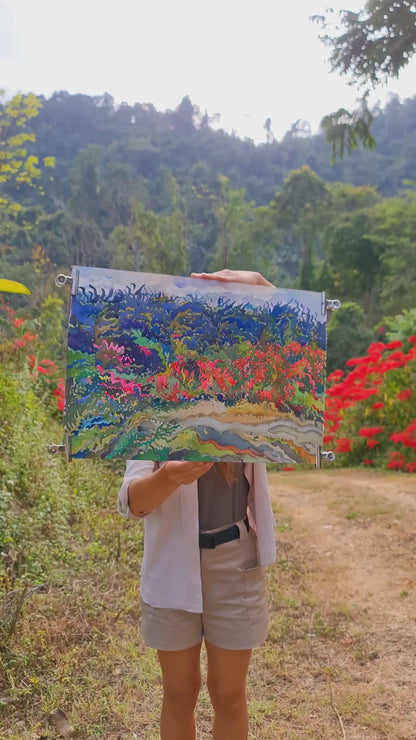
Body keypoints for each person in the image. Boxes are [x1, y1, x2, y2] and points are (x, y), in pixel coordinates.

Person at [117, 270, 277, 740]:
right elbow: (131, 501)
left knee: (228, 695)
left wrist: (260, 284)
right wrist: (166, 477)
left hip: (236, 563)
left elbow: (297, 332)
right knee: (180, 694)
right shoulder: (153, 405)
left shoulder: (250, 397)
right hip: (172, 564)